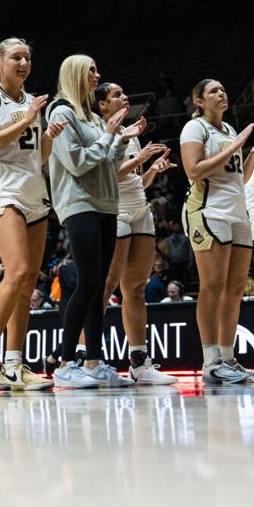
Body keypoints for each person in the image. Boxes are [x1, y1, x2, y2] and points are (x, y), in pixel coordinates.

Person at [47, 55, 142, 388]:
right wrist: (108, 136)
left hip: (106, 203)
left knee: (98, 286)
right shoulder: (62, 113)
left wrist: (122, 139)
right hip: (79, 202)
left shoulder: (90, 117)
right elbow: (76, 162)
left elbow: (106, 162)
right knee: (88, 282)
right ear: (75, 73)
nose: (97, 75)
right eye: (91, 70)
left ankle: (94, 362)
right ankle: (64, 362)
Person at [0, 38, 59, 392]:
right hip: (3, 193)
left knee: (27, 282)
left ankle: (16, 364)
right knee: (18, 269)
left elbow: (37, 157)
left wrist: (49, 136)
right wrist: (26, 121)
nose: (23, 62)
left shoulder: (32, 101)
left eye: (27, 57)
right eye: (16, 57)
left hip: (35, 193)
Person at [95, 82, 177, 385]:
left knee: (136, 290)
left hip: (140, 211)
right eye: (116, 95)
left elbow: (134, 182)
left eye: (123, 93)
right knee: (105, 287)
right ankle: (88, 357)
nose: (124, 97)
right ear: (102, 105)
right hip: (114, 212)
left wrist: (152, 169)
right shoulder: (101, 133)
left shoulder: (130, 133)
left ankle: (140, 362)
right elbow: (106, 177)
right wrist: (141, 159)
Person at [180, 79, 254, 384]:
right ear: (198, 100)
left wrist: (253, 155)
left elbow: (238, 178)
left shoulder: (227, 130)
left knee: (236, 290)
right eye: (213, 91)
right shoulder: (195, 128)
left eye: (224, 89)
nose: (221, 93)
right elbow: (194, 170)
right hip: (207, 211)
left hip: (237, 212)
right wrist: (238, 146)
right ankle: (210, 361)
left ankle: (228, 358)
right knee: (212, 286)